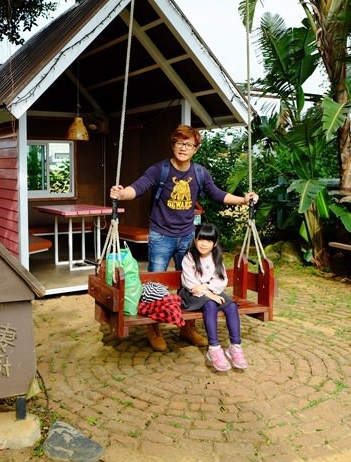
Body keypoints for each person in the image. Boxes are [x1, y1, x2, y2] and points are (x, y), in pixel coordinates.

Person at [110, 124, 258, 352]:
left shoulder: (199, 173)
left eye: (188, 144)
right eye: (179, 143)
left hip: (188, 236)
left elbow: (217, 194)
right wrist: (122, 193)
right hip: (161, 235)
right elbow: (138, 188)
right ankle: (154, 329)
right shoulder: (159, 170)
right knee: (155, 284)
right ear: (173, 145)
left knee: (191, 284)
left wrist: (243, 200)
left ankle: (187, 328)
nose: (183, 148)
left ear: (195, 149)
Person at [179, 223, 247, 371]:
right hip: (191, 295)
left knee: (231, 305)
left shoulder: (216, 258)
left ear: (214, 244)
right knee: (210, 304)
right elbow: (191, 284)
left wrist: (207, 288)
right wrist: (207, 292)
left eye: (208, 241)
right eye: (201, 239)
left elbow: (222, 280)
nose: (204, 244)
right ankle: (214, 348)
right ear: (195, 240)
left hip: (211, 291)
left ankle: (235, 346)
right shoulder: (189, 258)